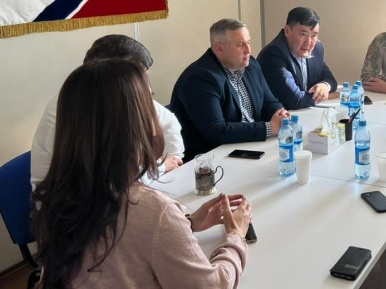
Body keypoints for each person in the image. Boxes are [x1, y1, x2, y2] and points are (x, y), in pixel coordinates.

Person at [32, 60, 253, 288]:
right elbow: (213, 285)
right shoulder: (150, 209)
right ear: (136, 123)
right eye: (149, 102)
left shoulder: (57, 196)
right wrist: (236, 237)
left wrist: (188, 223)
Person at [31, 34, 184, 189]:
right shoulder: (72, 108)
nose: (147, 86)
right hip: (69, 198)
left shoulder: (112, 97)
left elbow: (168, 121)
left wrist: (172, 157)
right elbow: (106, 184)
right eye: (139, 77)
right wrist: (160, 167)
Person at [170, 18, 288, 160]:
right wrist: (269, 128)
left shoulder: (251, 65)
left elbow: (269, 101)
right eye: (240, 45)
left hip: (249, 145)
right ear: (219, 48)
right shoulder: (200, 78)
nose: (248, 51)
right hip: (212, 157)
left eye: (248, 42)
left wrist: (280, 115)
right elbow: (217, 131)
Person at [257, 6, 338, 109]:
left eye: (313, 35)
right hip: (281, 115)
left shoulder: (317, 48)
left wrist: (324, 86)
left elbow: (330, 80)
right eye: (303, 34)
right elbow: (295, 100)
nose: (308, 42)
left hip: (306, 112)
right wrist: (328, 96)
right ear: (287, 31)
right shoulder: (273, 54)